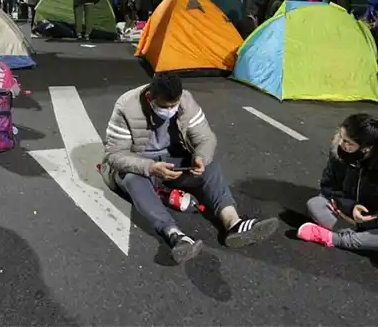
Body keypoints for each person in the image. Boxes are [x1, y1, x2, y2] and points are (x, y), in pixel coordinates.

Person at [100, 73, 279, 264]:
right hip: (141, 164)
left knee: (211, 167)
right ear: (150, 98)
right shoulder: (127, 106)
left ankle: (233, 222)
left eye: (174, 105)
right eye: (164, 107)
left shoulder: (186, 101)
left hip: (173, 161)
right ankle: (174, 234)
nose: (170, 110)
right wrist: (150, 167)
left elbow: (206, 138)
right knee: (132, 180)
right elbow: (115, 154)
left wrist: (200, 157)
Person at [297, 114, 378, 271]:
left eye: (348, 142)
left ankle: (333, 239)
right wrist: (350, 207)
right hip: (349, 216)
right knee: (315, 204)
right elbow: (328, 188)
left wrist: (367, 222)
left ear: (367, 148)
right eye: (341, 137)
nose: (341, 144)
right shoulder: (340, 153)